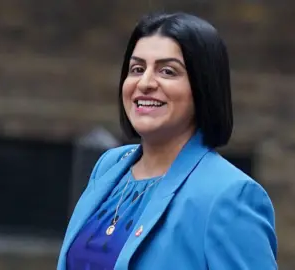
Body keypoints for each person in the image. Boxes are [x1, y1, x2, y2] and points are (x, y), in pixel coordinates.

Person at [57, 12, 277, 270]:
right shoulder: (109, 165)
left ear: (202, 86)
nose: (146, 82)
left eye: (168, 71)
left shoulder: (230, 195)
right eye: (137, 68)